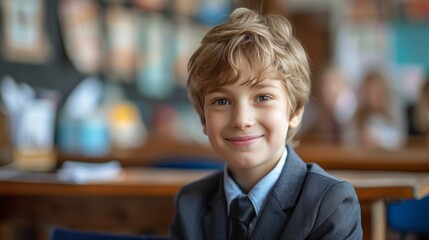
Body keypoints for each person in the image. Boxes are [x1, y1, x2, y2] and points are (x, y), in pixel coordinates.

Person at [169, 7, 362, 240]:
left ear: (295, 111)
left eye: (262, 97)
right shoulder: (190, 203)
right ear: (203, 118)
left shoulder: (330, 203)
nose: (241, 120)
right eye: (221, 101)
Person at [342, 69, 405, 150]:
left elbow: (400, 139)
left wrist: (379, 141)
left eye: (377, 92)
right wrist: (362, 140)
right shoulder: (356, 116)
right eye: (369, 91)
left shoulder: (394, 112)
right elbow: (348, 141)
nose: (373, 96)